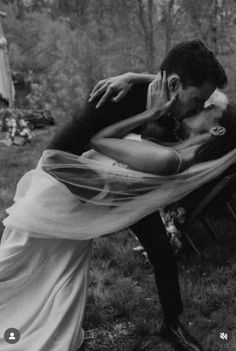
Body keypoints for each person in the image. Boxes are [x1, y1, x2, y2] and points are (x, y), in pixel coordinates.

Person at [0, 41, 231, 351]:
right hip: (69, 190)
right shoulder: (111, 99)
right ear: (174, 85)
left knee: (160, 250)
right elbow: (54, 158)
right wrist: (107, 197)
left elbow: (184, 85)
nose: (199, 109)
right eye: (196, 100)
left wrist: (136, 74)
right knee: (24, 262)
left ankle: (172, 324)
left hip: (124, 189)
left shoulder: (174, 95)